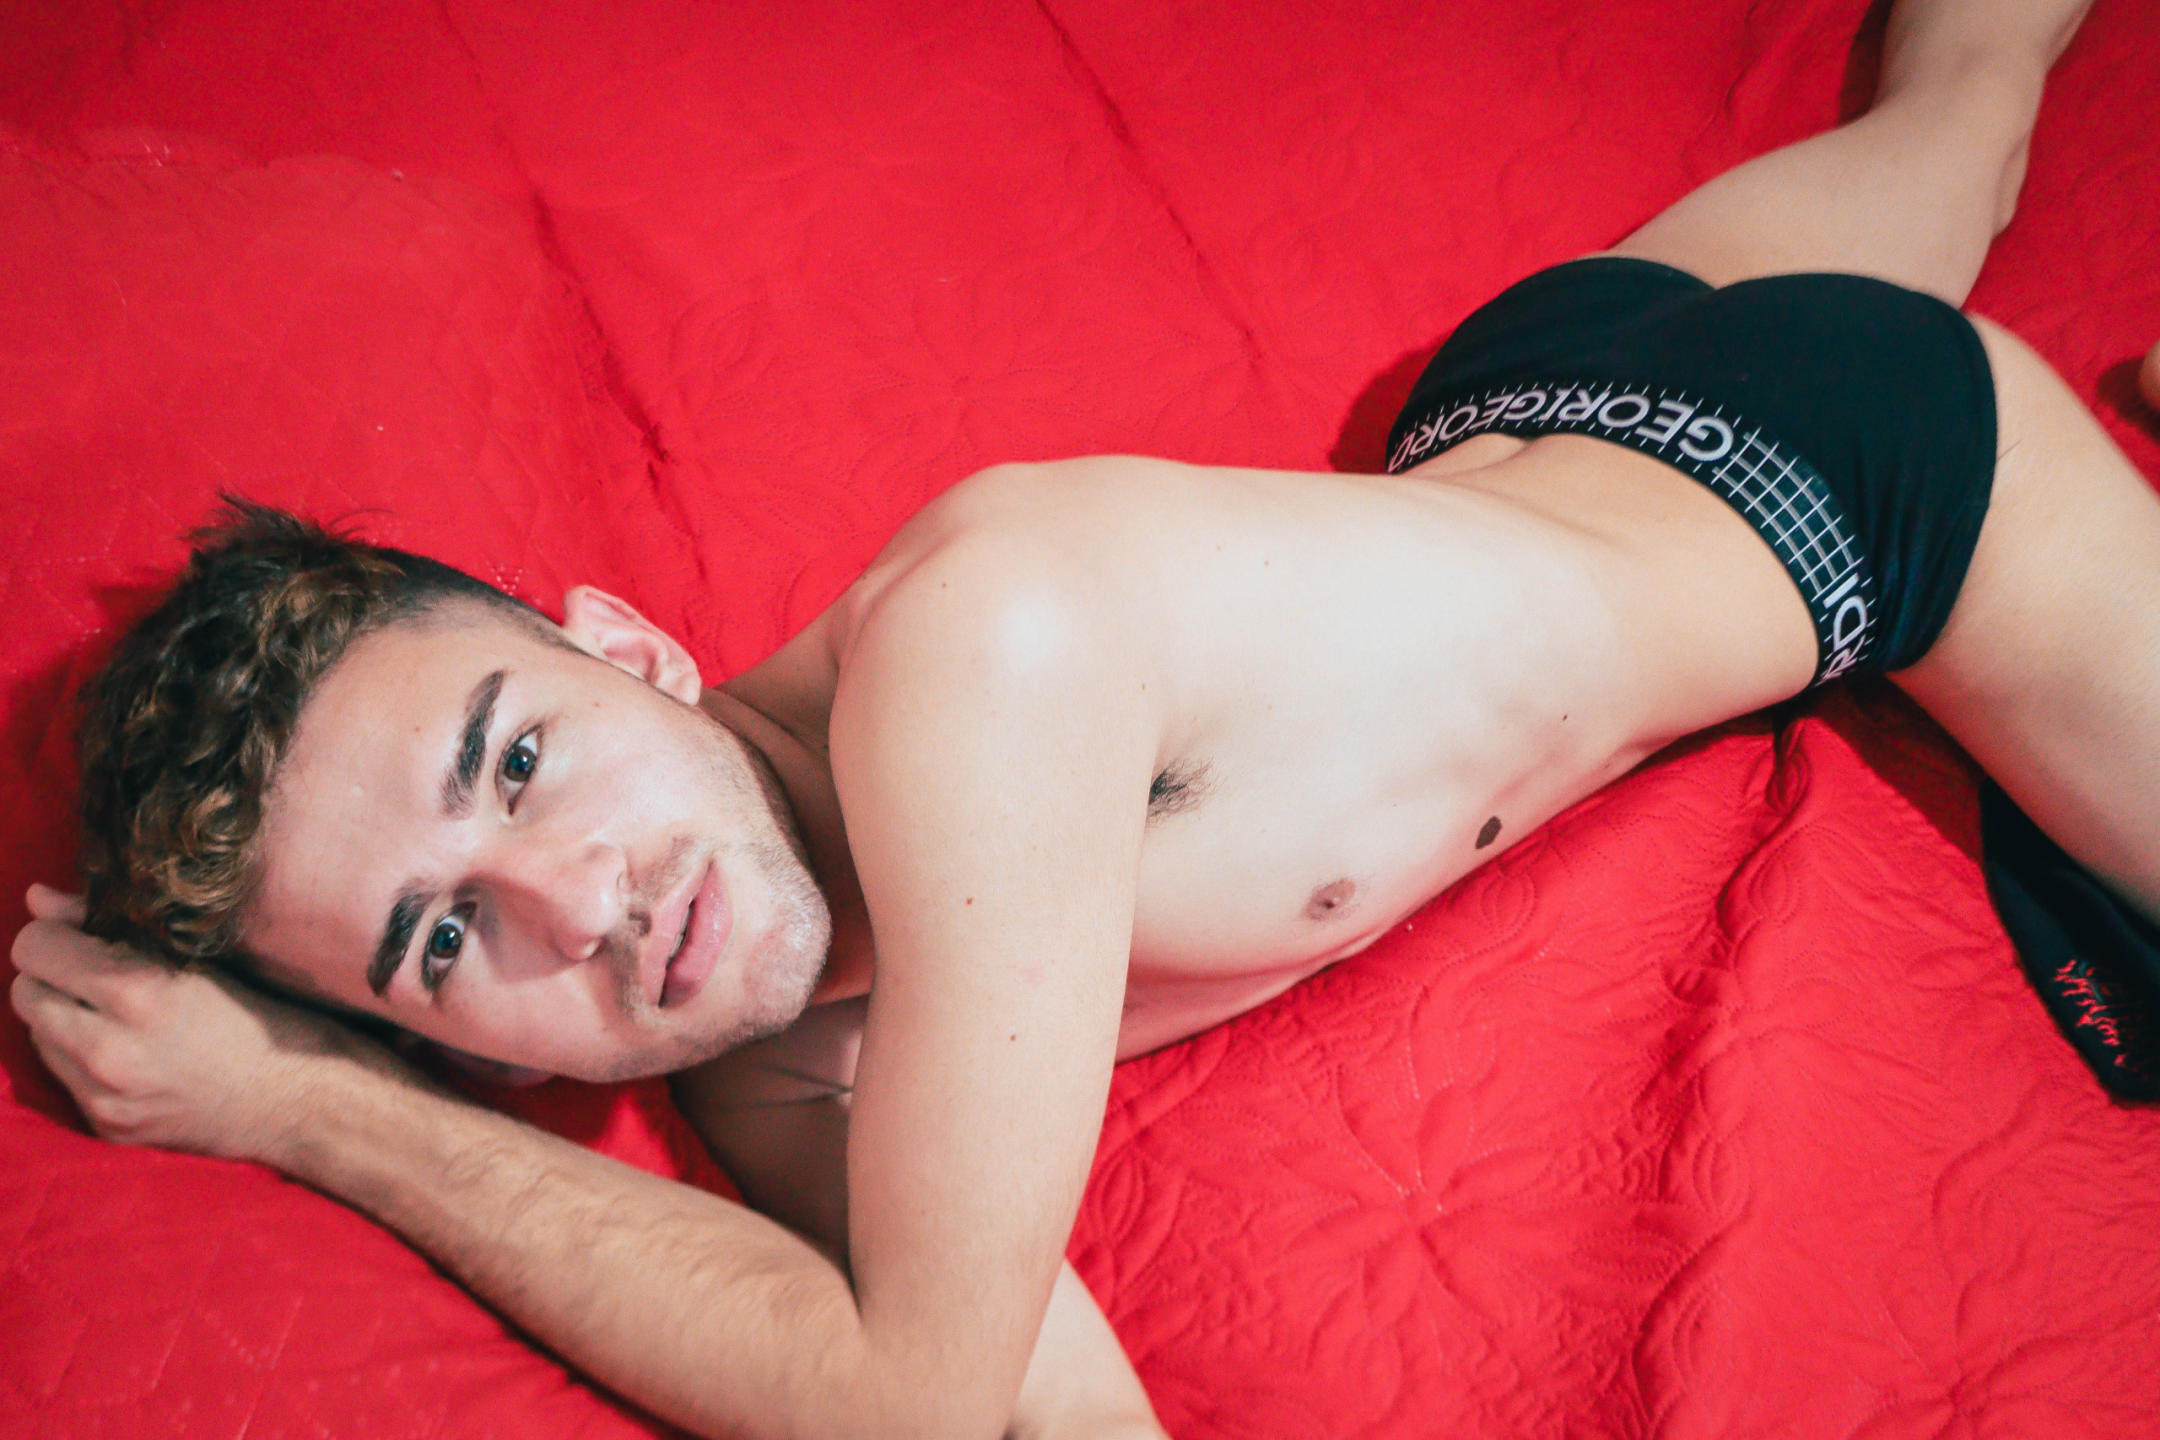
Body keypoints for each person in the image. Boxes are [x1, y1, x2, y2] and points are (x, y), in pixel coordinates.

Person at [10, 0, 2147, 1435]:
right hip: (1536, 395)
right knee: (1955, 125)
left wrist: (304, 1108)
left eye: (518, 758)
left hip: (1861, 479)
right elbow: (1035, 1400)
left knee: (1960, 140)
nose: (581, 900)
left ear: (632, 648)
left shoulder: (982, 664)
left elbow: (904, 1398)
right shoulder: (743, 1027)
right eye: (442, 938)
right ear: (464, 1042)